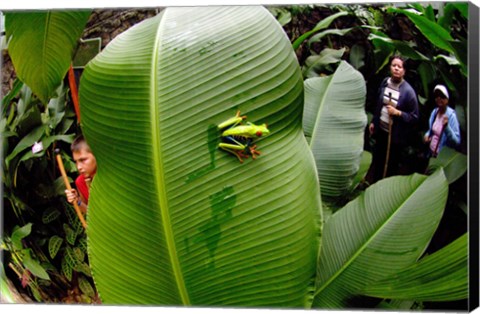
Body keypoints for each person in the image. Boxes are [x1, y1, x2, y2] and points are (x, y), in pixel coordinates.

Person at [368, 55, 419, 182]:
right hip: (381, 131)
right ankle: (374, 186)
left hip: (395, 137)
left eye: (399, 67)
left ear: (404, 71)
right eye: (394, 65)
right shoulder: (385, 82)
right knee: (378, 160)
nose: (396, 68)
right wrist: (374, 121)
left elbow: (414, 117)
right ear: (390, 68)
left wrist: (398, 113)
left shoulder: (408, 92)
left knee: (391, 164)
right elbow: (379, 104)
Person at [424, 84, 461, 157]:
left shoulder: (451, 116)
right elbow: (431, 130)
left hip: (442, 156)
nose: (439, 98)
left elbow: (457, 141)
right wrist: (427, 135)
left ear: (447, 99)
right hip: (431, 152)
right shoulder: (435, 112)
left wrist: (447, 128)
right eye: (437, 96)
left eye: (442, 96)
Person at [65, 135, 97, 214]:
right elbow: (90, 213)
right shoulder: (80, 181)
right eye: (76, 162)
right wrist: (77, 201)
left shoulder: (110, 176)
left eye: (83, 160)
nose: (78, 167)